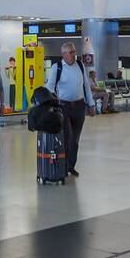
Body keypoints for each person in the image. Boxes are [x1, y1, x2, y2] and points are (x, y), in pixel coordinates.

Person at [45, 42, 94, 178]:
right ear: (64, 54)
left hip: (79, 106)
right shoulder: (57, 67)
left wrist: (91, 104)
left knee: (75, 140)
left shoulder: (80, 65)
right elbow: (50, 87)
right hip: (64, 107)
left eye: (74, 51)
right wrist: (49, 105)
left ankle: (71, 166)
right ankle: (64, 165)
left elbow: (86, 86)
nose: (74, 54)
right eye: (71, 52)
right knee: (67, 137)